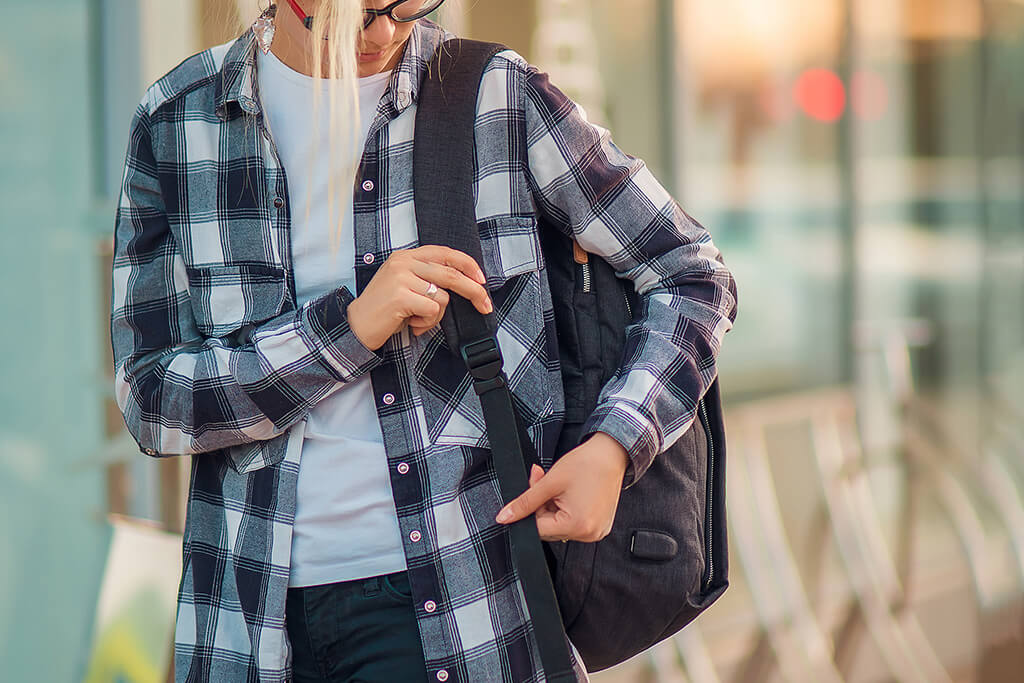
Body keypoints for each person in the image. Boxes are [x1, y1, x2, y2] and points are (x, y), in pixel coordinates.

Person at [109, 1, 738, 681]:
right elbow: (151, 401)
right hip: (244, 627)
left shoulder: (493, 98)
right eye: (356, 12)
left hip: (458, 613)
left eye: (408, 5)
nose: (383, 32)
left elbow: (691, 274)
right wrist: (347, 330)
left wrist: (615, 447)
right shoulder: (178, 121)